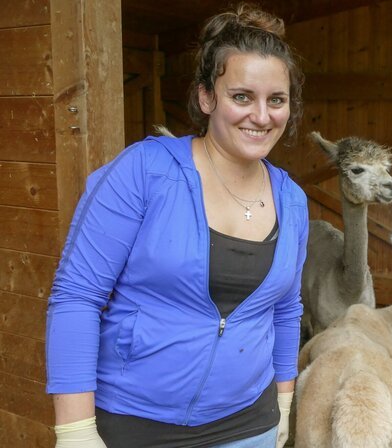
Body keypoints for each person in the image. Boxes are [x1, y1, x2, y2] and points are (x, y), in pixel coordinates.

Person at [46, 3, 307, 447]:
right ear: (206, 97)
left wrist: (284, 402)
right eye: (242, 97)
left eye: (276, 100)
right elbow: (77, 295)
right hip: (135, 424)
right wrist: (75, 430)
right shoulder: (144, 172)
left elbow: (285, 309)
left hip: (249, 425)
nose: (262, 116)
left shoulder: (292, 200)